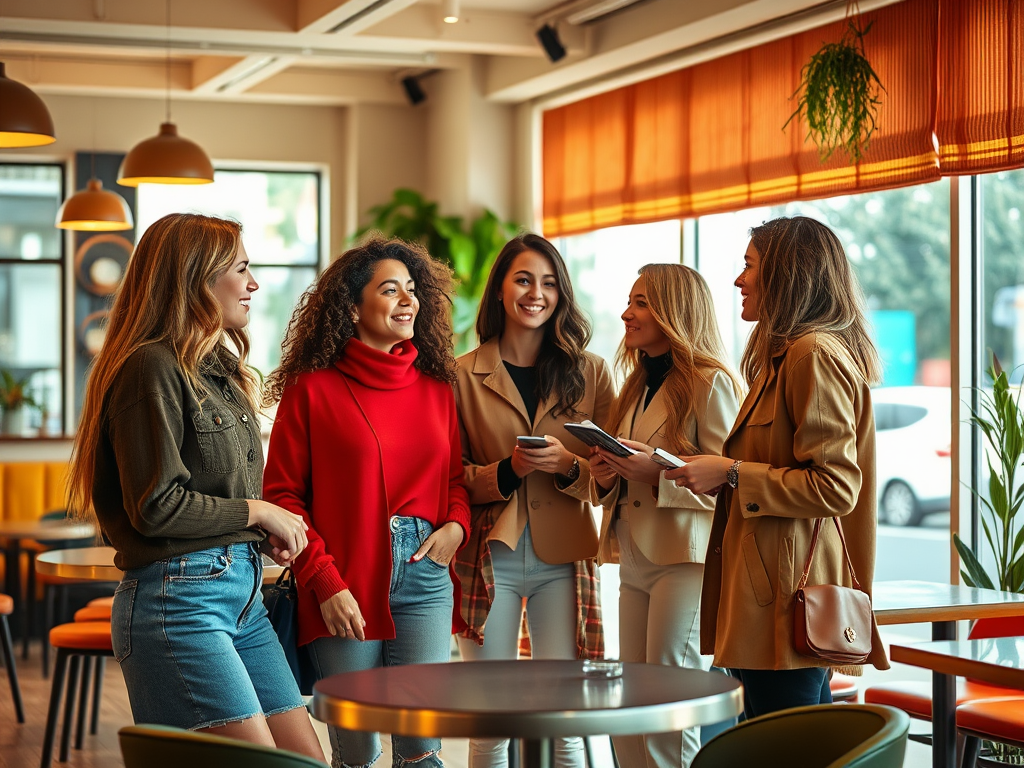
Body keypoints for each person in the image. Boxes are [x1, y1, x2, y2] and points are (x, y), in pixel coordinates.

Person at [66, 213, 324, 760]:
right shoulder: (149, 366)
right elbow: (157, 508)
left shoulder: (216, 369)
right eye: (241, 269)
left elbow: (222, 491)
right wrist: (256, 513)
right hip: (178, 603)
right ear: (196, 278)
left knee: (305, 761)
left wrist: (262, 529)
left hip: (244, 600)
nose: (253, 284)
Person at [667, 215, 890, 720]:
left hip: (784, 605)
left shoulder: (812, 354)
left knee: (780, 744)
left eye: (749, 267)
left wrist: (730, 473)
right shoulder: (786, 357)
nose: (738, 280)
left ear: (786, 274)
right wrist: (718, 471)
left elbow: (835, 486)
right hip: (770, 598)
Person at [262, 237, 470, 768]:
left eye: (412, 289)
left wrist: (455, 530)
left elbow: (454, 481)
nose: (408, 300)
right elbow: (282, 496)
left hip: (426, 574)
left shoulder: (438, 390)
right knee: (356, 749)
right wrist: (325, 583)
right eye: (390, 289)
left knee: (422, 749)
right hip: (343, 577)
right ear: (353, 308)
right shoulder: (312, 390)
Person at [453, 233, 614, 768]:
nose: (535, 293)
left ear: (561, 295)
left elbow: (614, 478)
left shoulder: (590, 372)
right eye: (523, 279)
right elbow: (448, 478)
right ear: (500, 288)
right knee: (491, 723)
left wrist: (568, 466)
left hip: (563, 557)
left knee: (561, 720)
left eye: (548, 283)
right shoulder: (460, 375)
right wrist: (507, 470)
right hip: (487, 557)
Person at [588, 263, 740, 768]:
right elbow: (624, 477)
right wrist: (607, 471)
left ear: (676, 311)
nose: (627, 313)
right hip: (633, 556)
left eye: (643, 303)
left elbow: (729, 489)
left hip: (686, 561)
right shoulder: (634, 384)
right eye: (631, 301)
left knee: (668, 707)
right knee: (630, 702)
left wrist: (654, 473)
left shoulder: (710, 383)